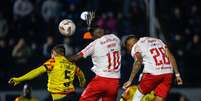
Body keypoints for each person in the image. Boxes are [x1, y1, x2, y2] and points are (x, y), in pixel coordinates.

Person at [9, 44, 86, 101]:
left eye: (51, 54)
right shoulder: (71, 64)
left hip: (61, 97)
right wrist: (82, 83)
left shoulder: (53, 61)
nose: (50, 56)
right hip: (73, 96)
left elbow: (37, 71)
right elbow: (81, 74)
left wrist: (19, 79)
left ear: (54, 53)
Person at [123, 35, 183, 101]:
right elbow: (170, 56)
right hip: (168, 73)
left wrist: (130, 80)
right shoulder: (158, 41)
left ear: (129, 46)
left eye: (127, 49)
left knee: (137, 96)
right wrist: (177, 75)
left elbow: (138, 61)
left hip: (153, 73)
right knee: (159, 99)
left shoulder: (136, 46)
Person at [70, 28, 121, 101]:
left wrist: (61, 59)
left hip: (101, 80)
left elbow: (76, 58)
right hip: (115, 82)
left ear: (93, 36)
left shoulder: (94, 44)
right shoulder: (115, 38)